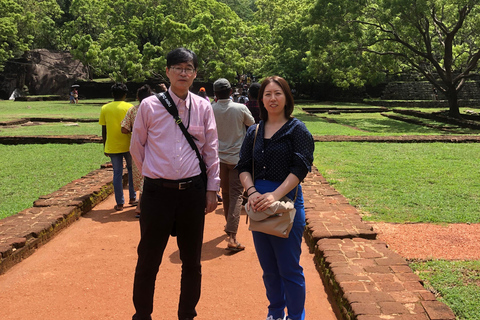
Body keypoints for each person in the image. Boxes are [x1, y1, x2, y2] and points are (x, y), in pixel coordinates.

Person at [130, 47, 220, 320]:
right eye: (178, 67)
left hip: (192, 193)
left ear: (195, 74)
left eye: (189, 68)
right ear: (168, 71)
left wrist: (212, 189)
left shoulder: (204, 106)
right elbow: (137, 147)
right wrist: (155, 174)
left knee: (192, 262)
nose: (184, 72)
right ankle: (142, 315)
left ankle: (187, 315)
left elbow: (211, 150)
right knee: (148, 260)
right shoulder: (149, 106)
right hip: (158, 194)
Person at [236, 76, 314, 320]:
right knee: (269, 269)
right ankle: (275, 312)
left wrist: (274, 195)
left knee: (289, 268)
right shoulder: (254, 131)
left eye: (278, 93)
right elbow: (243, 166)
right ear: (261, 100)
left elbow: (300, 167)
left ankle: (295, 316)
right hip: (258, 202)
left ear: (286, 97)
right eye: (267, 94)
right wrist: (253, 192)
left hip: (286, 201)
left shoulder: (297, 129)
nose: (272, 98)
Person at [212, 78, 254, 252]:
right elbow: (252, 126)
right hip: (237, 158)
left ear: (215, 94)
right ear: (231, 92)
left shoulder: (210, 109)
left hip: (219, 158)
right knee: (236, 195)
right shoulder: (240, 108)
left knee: (227, 192)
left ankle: (229, 226)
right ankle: (232, 236)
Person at [99, 83, 136, 211]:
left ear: (112, 94)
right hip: (129, 144)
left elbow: (104, 129)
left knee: (117, 173)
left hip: (113, 145)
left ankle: (120, 203)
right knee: (132, 171)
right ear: (125, 95)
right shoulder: (130, 107)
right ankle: (133, 198)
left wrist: (105, 146)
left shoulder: (105, 108)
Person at [121, 84, 154, 217]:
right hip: (153, 148)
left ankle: (142, 205)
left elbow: (123, 129)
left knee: (142, 175)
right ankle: (142, 205)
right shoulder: (155, 110)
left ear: (138, 97)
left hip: (137, 148)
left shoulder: (133, 110)